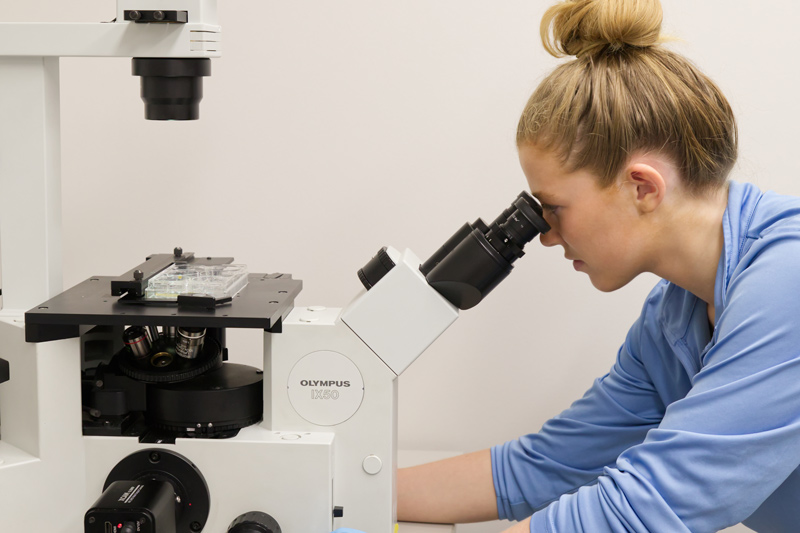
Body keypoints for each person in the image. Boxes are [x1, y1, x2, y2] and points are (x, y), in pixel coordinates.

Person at [337, 0, 800, 531]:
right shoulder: (672, 320)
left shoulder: (789, 278)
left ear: (642, 187)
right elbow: (539, 468)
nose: (548, 236)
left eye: (552, 208)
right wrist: (334, 493)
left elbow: (647, 505)